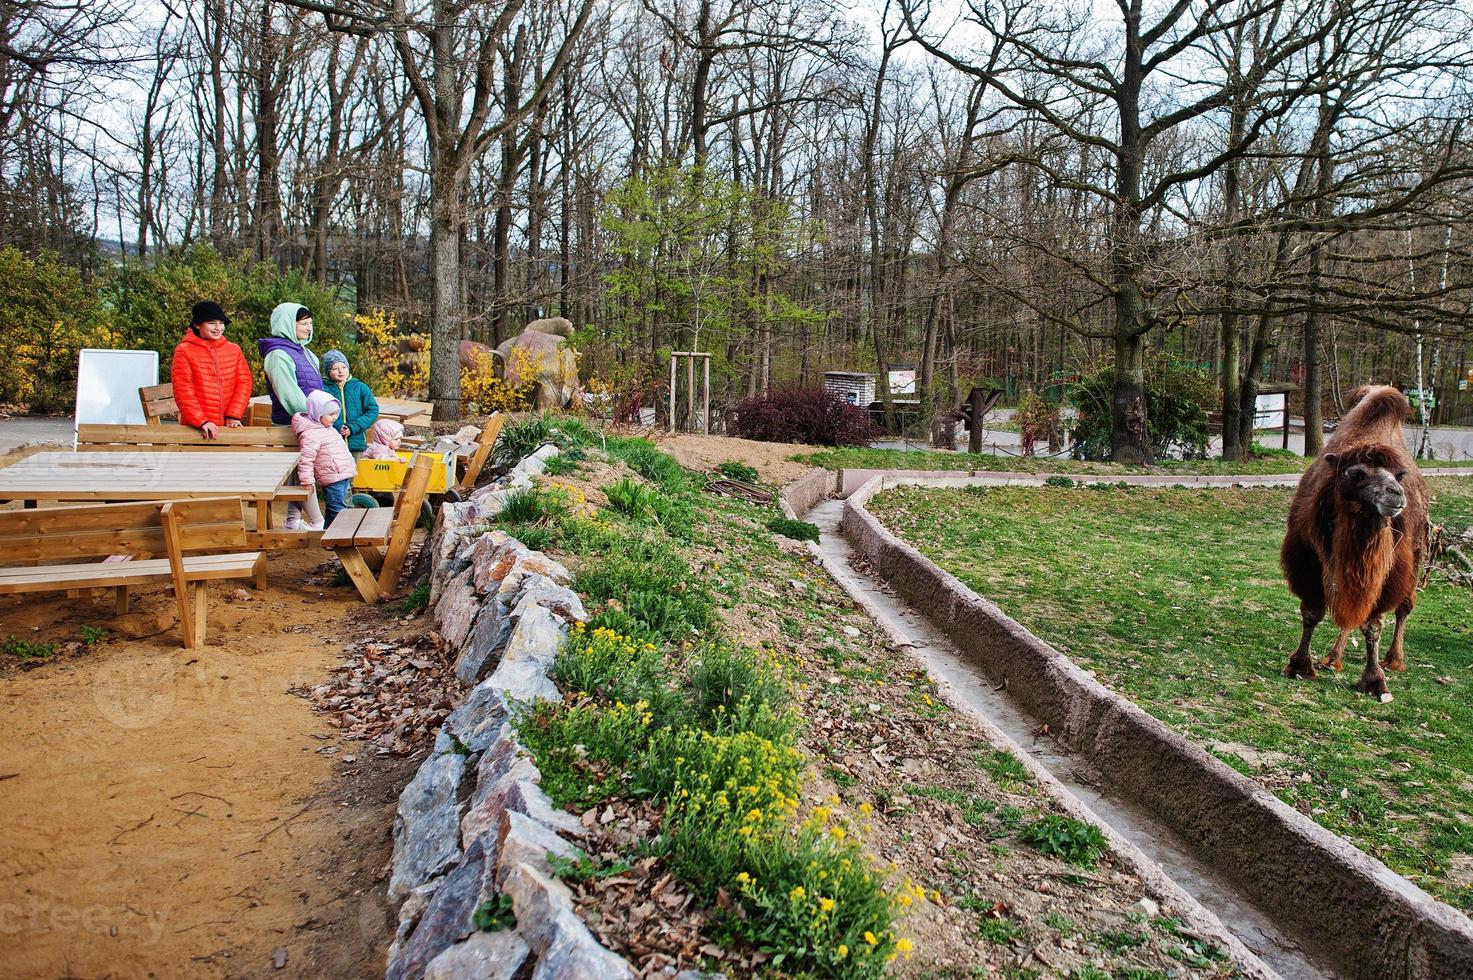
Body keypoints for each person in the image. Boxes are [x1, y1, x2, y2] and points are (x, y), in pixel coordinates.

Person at [171, 301, 252, 438]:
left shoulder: (234, 349)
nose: (218, 328)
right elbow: (183, 390)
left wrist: (233, 414)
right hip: (198, 430)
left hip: (229, 426)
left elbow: (244, 383)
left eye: (221, 323)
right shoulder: (184, 351)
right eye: (211, 323)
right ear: (197, 324)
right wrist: (202, 421)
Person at [292, 390, 356, 530]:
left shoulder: (327, 428)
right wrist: (307, 480)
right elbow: (306, 458)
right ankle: (341, 537)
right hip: (332, 477)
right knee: (337, 509)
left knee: (333, 508)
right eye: (330, 414)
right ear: (317, 413)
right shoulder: (311, 433)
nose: (334, 418)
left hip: (342, 475)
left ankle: (327, 534)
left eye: (336, 414)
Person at [259, 303, 322, 425]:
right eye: (304, 324)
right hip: (290, 427)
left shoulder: (308, 354)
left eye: (310, 323)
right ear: (287, 324)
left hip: (313, 424)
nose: (309, 328)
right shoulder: (278, 354)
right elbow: (289, 394)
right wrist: (315, 417)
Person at [321, 349, 379, 456]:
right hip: (332, 443)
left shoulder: (360, 387)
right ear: (328, 371)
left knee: (354, 472)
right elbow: (320, 412)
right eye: (335, 368)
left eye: (344, 367)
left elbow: (372, 410)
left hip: (356, 443)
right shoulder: (323, 389)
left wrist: (353, 427)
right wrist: (338, 426)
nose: (340, 371)